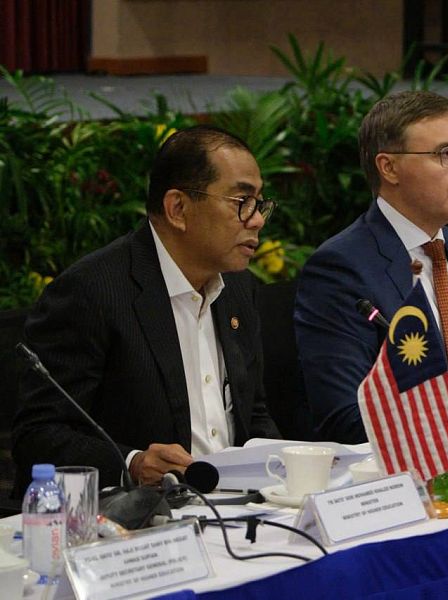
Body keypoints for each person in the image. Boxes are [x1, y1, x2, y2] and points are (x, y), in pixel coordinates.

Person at [13, 125, 281, 490]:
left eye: (260, 203)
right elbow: (38, 435)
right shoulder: (92, 292)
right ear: (178, 208)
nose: (257, 219)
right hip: (140, 522)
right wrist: (132, 464)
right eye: (241, 203)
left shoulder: (238, 289)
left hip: (236, 508)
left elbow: (253, 413)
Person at [294, 90, 448, 444]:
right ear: (389, 167)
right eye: (447, 155)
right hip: (409, 479)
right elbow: (346, 416)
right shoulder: (341, 269)